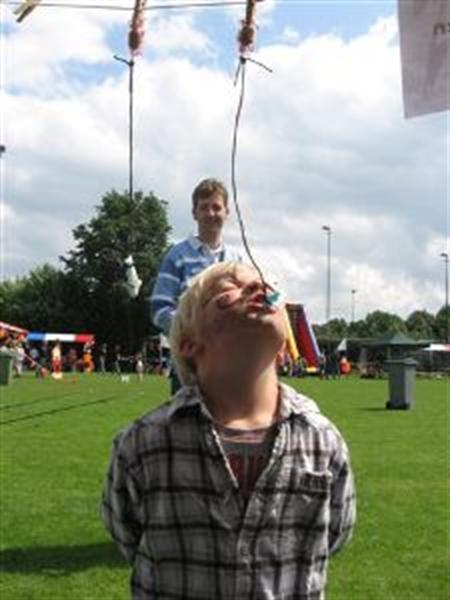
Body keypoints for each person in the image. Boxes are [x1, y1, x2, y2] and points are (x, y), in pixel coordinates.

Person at [102, 262, 356, 599]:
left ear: (283, 345)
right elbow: (128, 533)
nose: (258, 288)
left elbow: (333, 537)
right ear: (189, 345)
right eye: (227, 290)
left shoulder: (323, 441)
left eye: (264, 285)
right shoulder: (143, 444)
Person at [150, 177, 242, 393]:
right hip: (188, 368)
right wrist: (194, 329)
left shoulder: (236, 259)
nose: (211, 213)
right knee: (188, 416)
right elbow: (158, 310)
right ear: (194, 213)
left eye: (216, 207)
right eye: (204, 207)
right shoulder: (177, 256)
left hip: (229, 366)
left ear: (227, 212)